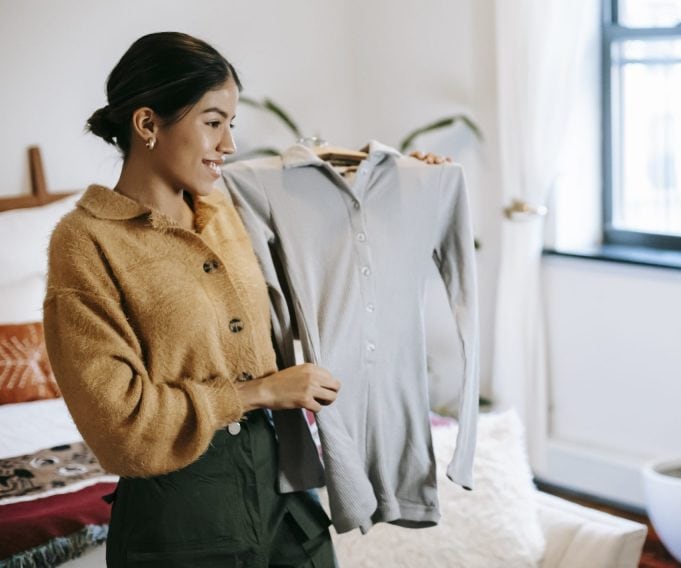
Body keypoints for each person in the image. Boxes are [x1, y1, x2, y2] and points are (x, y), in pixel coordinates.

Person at [43, 31, 443, 567]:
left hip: (286, 496)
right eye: (212, 123)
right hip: (180, 520)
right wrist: (259, 393)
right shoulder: (87, 242)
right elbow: (121, 430)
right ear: (147, 124)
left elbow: (339, 252)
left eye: (231, 124)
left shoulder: (230, 209)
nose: (228, 145)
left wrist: (413, 181)